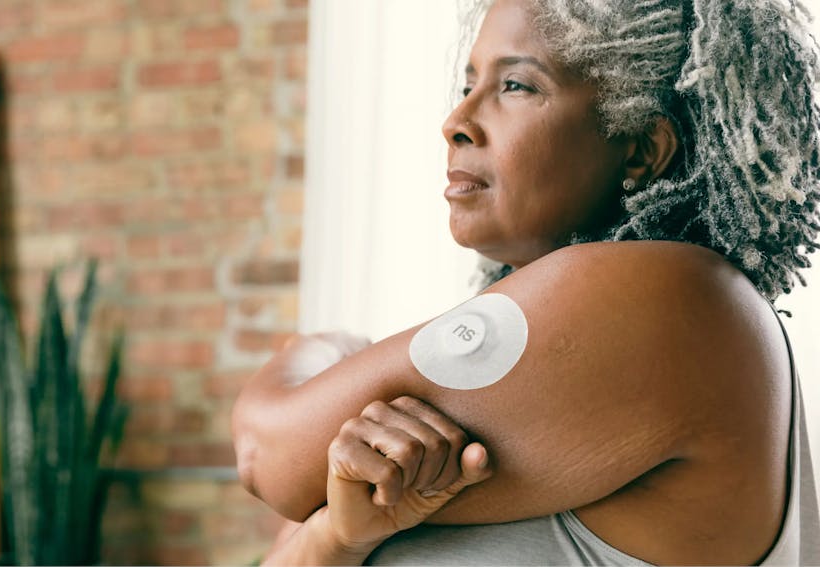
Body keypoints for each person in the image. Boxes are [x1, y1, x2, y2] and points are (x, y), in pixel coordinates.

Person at [231, 0, 820, 564]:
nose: (456, 123)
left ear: (641, 149)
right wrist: (337, 536)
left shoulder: (675, 300)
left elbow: (266, 454)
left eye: (516, 85)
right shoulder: (555, 366)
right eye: (469, 87)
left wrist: (325, 350)